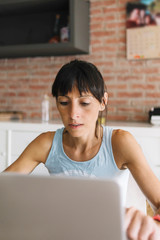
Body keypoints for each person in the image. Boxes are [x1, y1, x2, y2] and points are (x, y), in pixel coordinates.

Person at [3, 59, 160, 239]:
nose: (73, 114)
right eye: (63, 102)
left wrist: (154, 225)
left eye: (84, 103)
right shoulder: (46, 143)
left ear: (103, 102)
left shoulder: (120, 142)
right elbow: (4, 187)